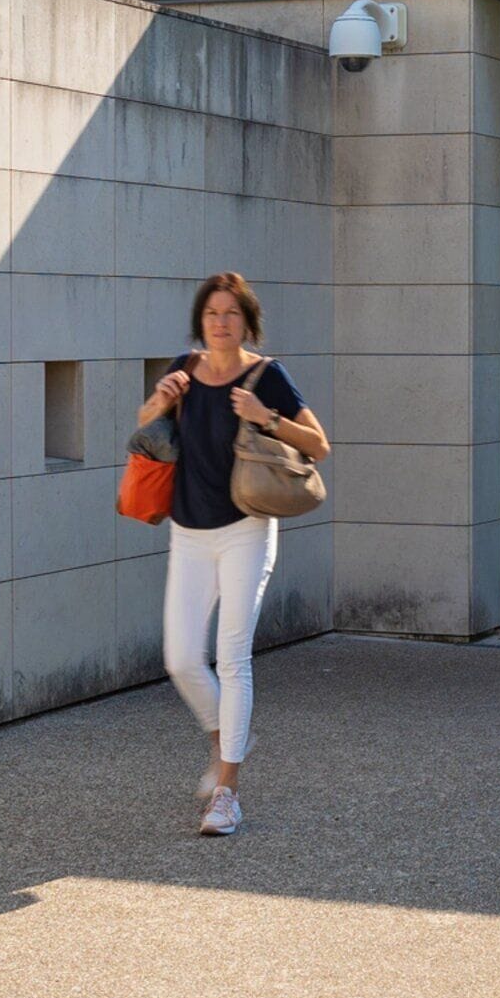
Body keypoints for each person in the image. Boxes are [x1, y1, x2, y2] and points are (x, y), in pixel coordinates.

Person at [140, 273, 329, 835]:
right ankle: (227, 738)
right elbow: (145, 430)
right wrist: (160, 400)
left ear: (247, 321)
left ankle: (227, 792)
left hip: (246, 528)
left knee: (232, 656)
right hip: (189, 532)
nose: (220, 322)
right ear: (200, 321)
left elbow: (319, 445)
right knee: (180, 659)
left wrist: (264, 416)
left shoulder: (266, 376)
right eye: (211, 313)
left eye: (231, 313)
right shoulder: (184, 368)